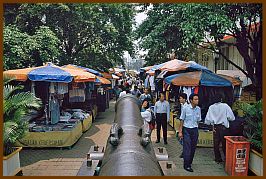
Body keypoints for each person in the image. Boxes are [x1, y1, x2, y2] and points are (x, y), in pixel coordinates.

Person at [205, 94, 235, 163]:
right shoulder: (225, 106)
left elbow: (207, 120)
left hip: (215, 127)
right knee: (225, 144)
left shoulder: (211, 107)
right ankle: (227, 159)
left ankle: (218, 158)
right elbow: (231, 118)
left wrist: (212, 125)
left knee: (216, 144)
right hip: (224, 128)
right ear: (221, 99)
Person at [179, 94, 201, 172]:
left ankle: (189, 162)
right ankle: (186, 165)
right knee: (187, 148)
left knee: (193, 147)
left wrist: (196, 129)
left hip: (194, 130)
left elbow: (198, 120)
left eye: (197, 99)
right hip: (186, 130)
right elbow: (182, 120)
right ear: (191, 100)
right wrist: (180, 131)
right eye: (195, 99)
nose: (197, 101)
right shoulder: (185, 108)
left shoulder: (198, 109)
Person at [178, 93, 189, 158]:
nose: (179, 99)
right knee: (183, 140)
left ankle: (185, 153)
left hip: (185, 125)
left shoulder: (186, 107)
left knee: (185, 140)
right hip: (183, 124)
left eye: (180, 98)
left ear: (184, 99)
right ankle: (184, 152)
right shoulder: (182, 105)